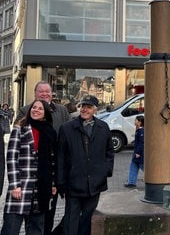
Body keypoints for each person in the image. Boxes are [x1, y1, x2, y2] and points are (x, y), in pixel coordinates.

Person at [14, 81, 70, 235]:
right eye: (41, 92)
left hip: (53, 171)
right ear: (35, 94)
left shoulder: (62, 111)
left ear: (52, 93)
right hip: (29, 175)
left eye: (47, 91)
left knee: (48, 212)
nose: (44, 94)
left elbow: (69, 135)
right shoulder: (26, 110)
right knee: (30, 215)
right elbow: (16, 142)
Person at [57, 94, 114, 235]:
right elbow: (61, 157)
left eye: (89, 107)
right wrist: (60, 182)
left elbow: (109, 151)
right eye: (83, 106)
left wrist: (106, 170)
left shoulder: (103, 127)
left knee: (88, 220)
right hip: (73, 183)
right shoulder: (66, 128)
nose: (85, 110)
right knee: (71, 220)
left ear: (95, 109)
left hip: (95, 183)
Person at [1, 100, 57, 235]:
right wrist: (15, 185)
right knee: (11, 229)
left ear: (45, 113)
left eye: (40, 108)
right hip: (21, 188)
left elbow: (53, 161)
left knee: (36, 229)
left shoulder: (50, 132)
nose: (36, 110)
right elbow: (11, 158)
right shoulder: (20, 129)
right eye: (34, 107)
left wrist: (53, 184)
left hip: (41, 190)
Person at [124, 115, 144, 188]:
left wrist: (138, 152)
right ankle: (131, 183)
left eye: (136, 120)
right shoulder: (139, 130)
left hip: (140, 154)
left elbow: (142, 143)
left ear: (139, 122)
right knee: (133, 166)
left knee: (143, 167)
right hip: (137, 152)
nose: (134, 121)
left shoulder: (141, 131)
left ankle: (154, 179)